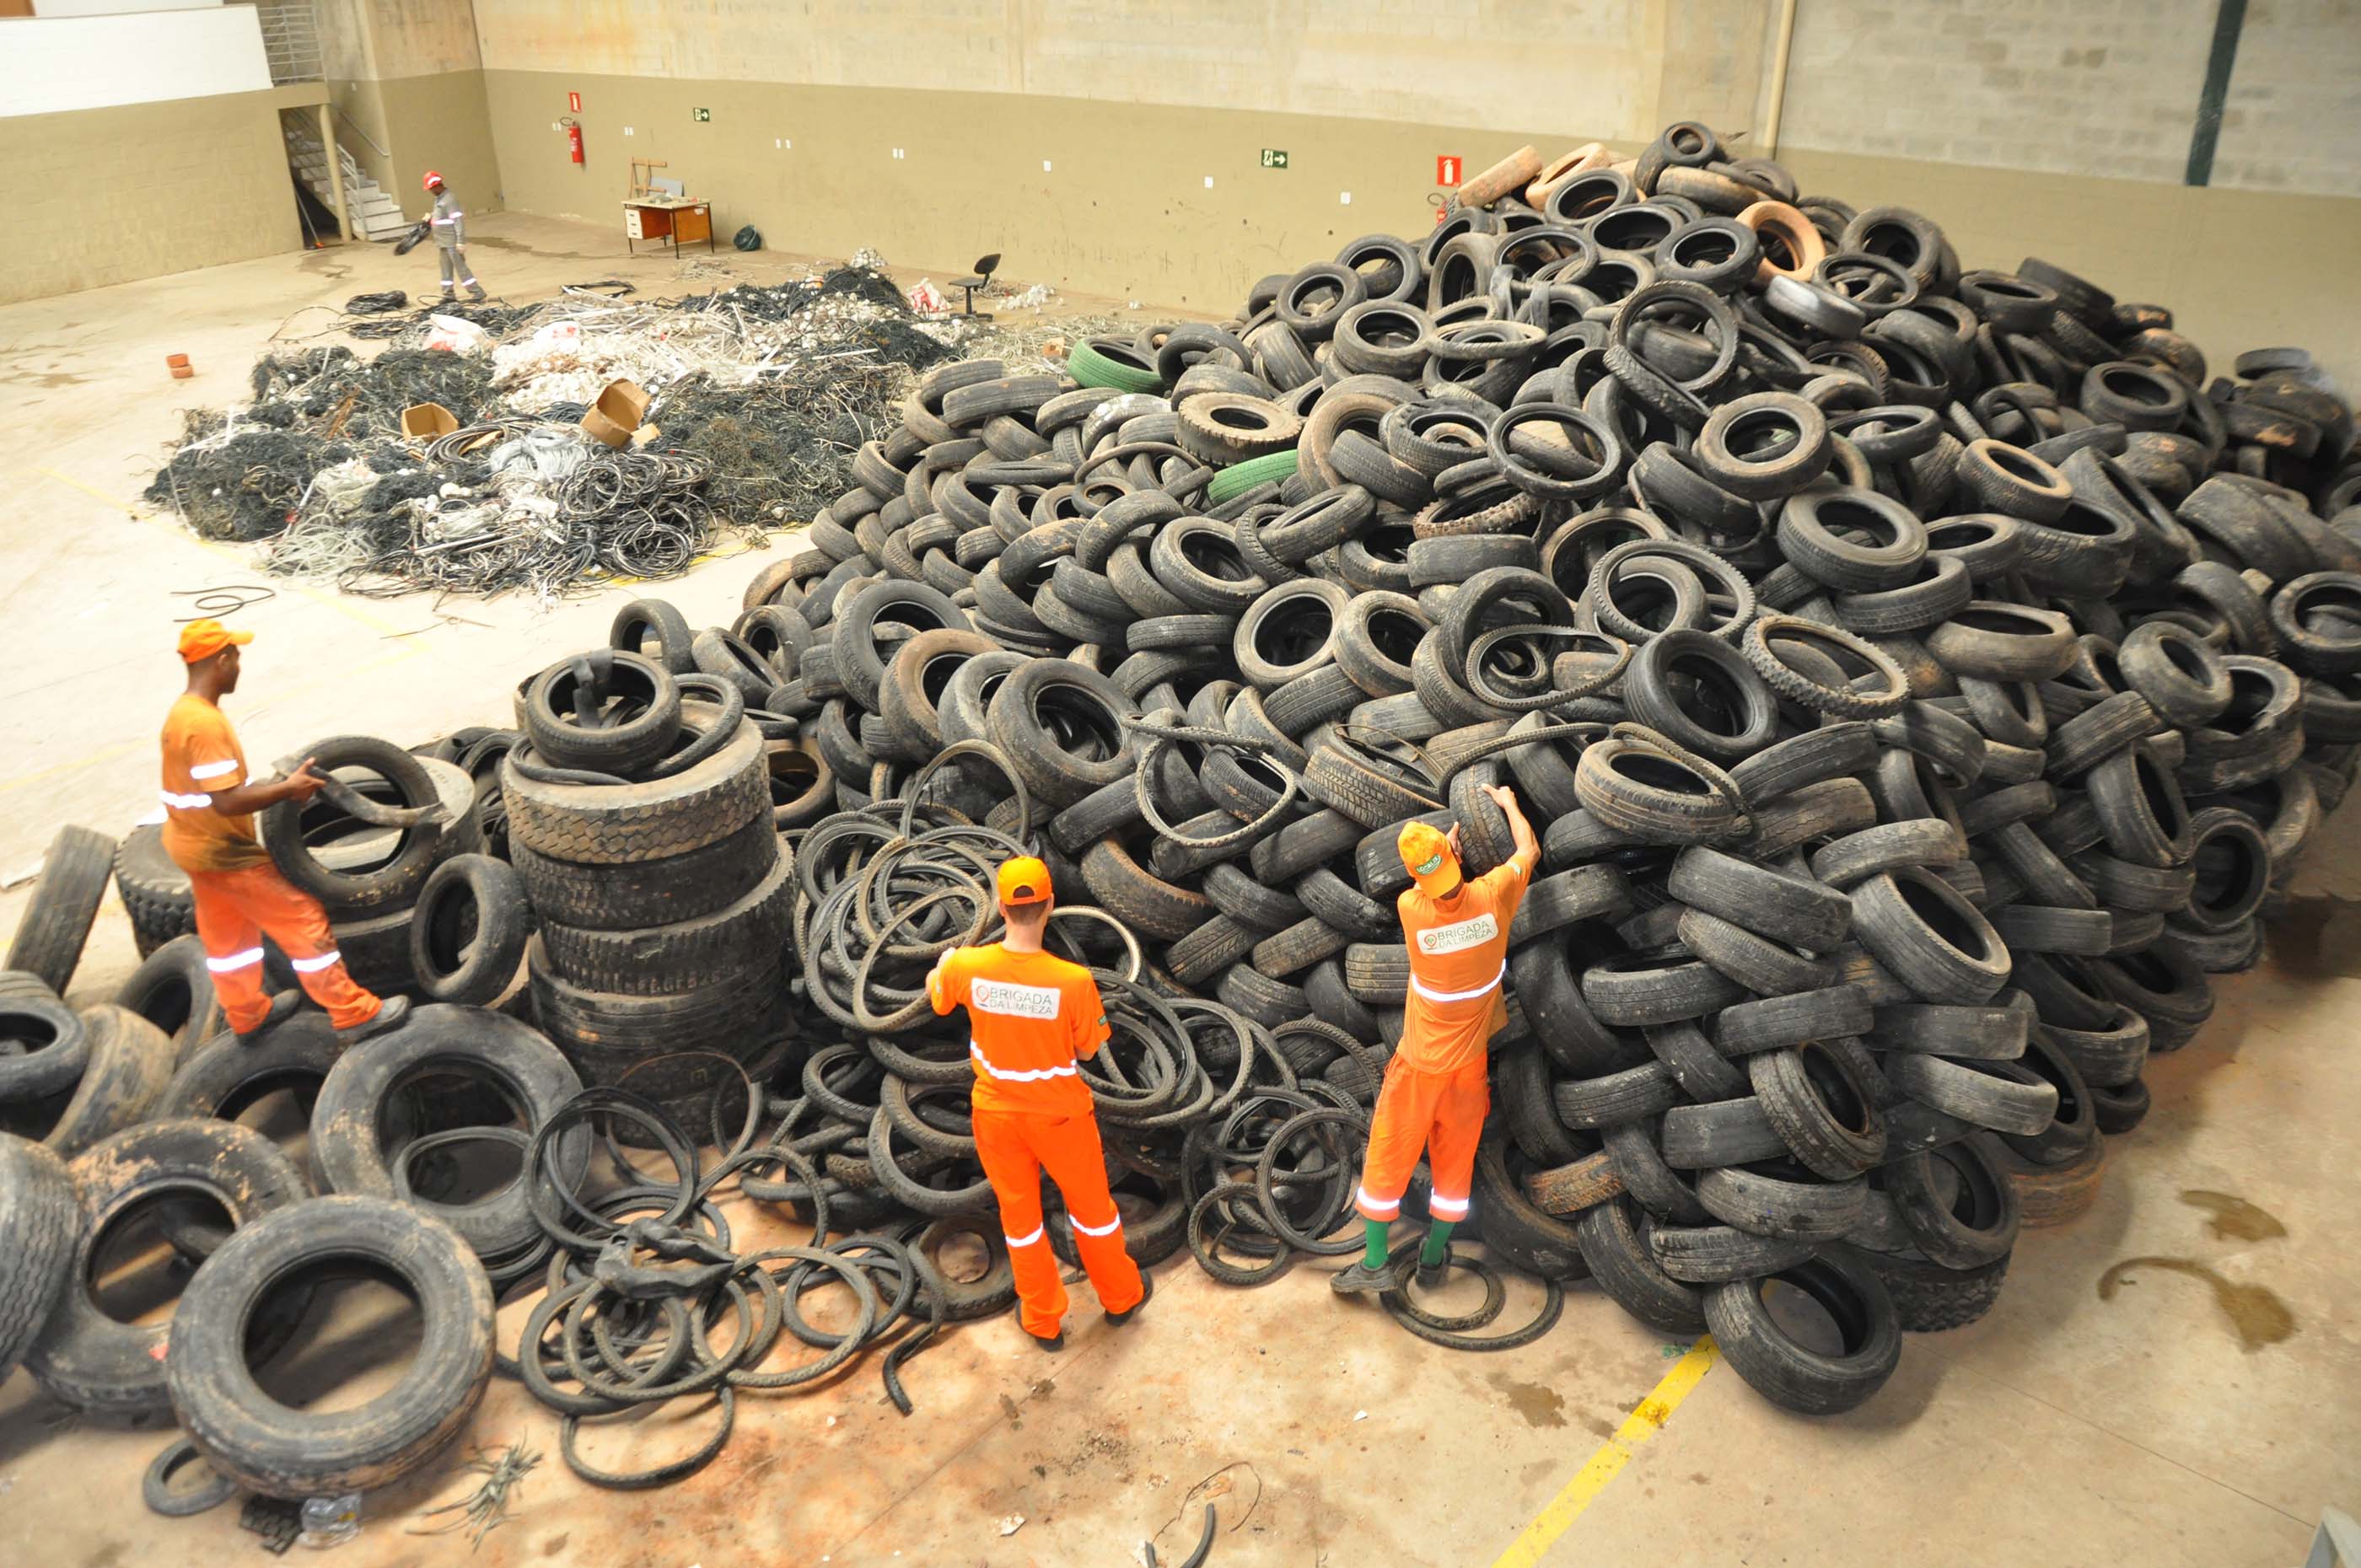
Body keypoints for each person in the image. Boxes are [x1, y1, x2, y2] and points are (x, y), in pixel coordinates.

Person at [926, 856, 1148, 1351]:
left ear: (1001, 909)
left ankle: (1043, 1319)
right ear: (1049, 906)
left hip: (997, 1115)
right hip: (1060, 1116)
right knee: (1094, 1212)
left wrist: (941, 967)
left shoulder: (968, 967)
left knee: (1020, 1218)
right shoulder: (1072, 981)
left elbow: (938, 996)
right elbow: (1089, 1049)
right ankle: (1120, 1297)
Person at [162, 620, 409, 1048]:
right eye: (235, 657)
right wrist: (287, 790)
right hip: (223, 851)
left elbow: (220, 791)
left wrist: (279, 786)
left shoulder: (183, 713)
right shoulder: (203, 725)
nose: (239, 665)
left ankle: (246, 1014)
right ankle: (353, 1013)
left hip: (191, 846)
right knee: (303, 917)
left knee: (229, 938)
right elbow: (226, 801)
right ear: (221, 660)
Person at [1332, 784, 1540, 1295]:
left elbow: (1432, 886)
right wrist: (1510, 803)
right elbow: (1528, 851)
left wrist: (1438, 856)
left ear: (1416, 877)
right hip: (1468, 1071)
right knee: (1454, 1167)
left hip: (1418, 1067)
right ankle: (1431, 1258)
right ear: (1455, 860)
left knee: (1388, 1156)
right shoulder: (1494, 898)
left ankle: (1376, 1263)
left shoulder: (1411, 908)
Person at [422, 171, 487, 302]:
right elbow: (442, 217)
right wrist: (430, 218)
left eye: (431, 189)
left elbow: (458, 221)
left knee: (461, 268)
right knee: (445, 269)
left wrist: (460, 241)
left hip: (452, 242)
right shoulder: (439, 199)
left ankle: (477, 292)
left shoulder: (449, 199)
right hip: (443, 242)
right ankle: (448, 295)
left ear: (437, 186)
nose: (430, 191)